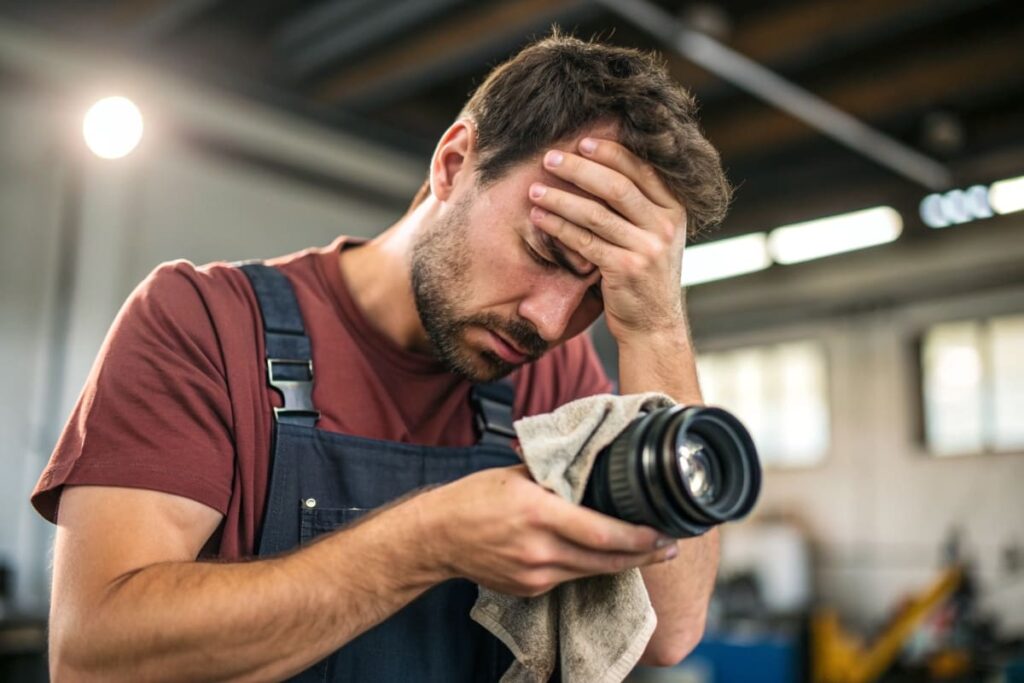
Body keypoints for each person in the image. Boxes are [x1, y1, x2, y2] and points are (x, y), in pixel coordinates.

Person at [32, 32, 731, 682]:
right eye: (544, 252)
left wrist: (657, 326)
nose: (549, 322)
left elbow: (667, 629)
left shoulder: (555, 378)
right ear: (455, 164)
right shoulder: (204, 322)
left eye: (594, 295)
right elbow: (93, 653)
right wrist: (423, 542)